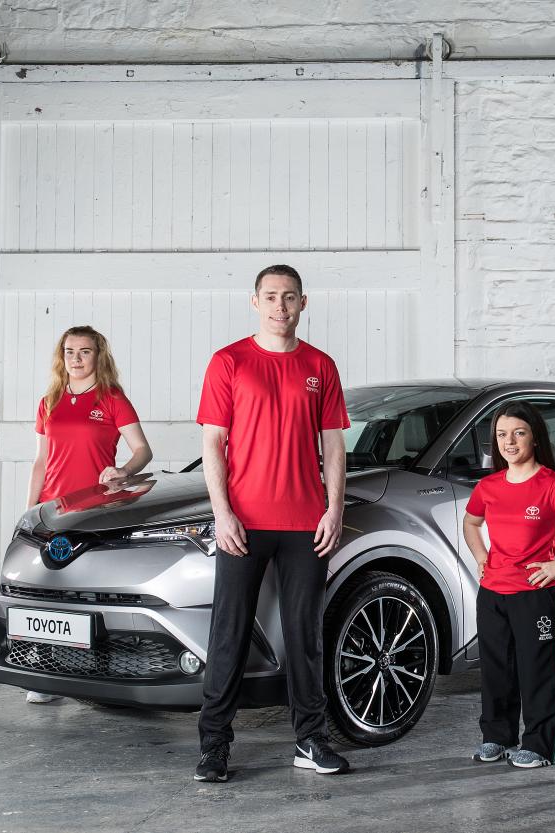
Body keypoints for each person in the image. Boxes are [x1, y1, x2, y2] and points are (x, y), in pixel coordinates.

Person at [194, 264, 351, 782]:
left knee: (305, 635)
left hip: (306, 524)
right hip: (243, 524)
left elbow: (333, 446)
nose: (279, 306)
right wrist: (222, 513)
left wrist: (334, 509)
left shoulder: (320, 366)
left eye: (289, 297)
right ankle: (214, 747)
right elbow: (213, 444)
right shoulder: (228, 362)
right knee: (229, 634)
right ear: (254, 301)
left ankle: (310, 739)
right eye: (270, 296)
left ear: (304, 303)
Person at [463, 401, 555, 768]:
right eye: (502, 435)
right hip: (493, 592)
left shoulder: (552, 483)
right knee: (496, 669)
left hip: (537, 595)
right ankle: (497, 737)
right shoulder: (489, 486)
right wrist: (480, 557)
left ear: (535, 437)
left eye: (518, 433)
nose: (509, 441)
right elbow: (471, 523)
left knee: (539, 670)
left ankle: (543, 746)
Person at [23, 325, 152, 705]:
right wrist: (29, 511)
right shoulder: (49, 400)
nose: (76, 359)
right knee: (44, 594)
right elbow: (40, 461)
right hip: (51, 510)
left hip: (96, 512)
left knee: (86, 594)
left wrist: (124, 472)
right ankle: (46, 675)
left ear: (99, 356)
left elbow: (142, 449)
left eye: (84, 352)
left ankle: (93, 672)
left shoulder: (112, 399)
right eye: (69, 351)